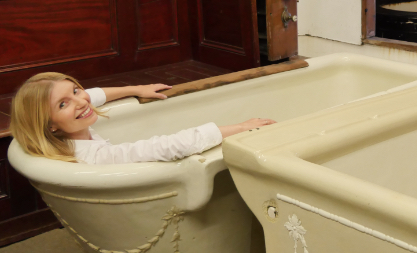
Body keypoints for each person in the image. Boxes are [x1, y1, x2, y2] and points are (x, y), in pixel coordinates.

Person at [10, 72, 276, 165]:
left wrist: (136, 90)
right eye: (64, 103)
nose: (81, 101)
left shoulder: (65, 135)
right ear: (49, 125)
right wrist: (241, 127)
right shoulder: (95, 158)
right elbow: (170, 146)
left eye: (76, 90)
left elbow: (94, 95)